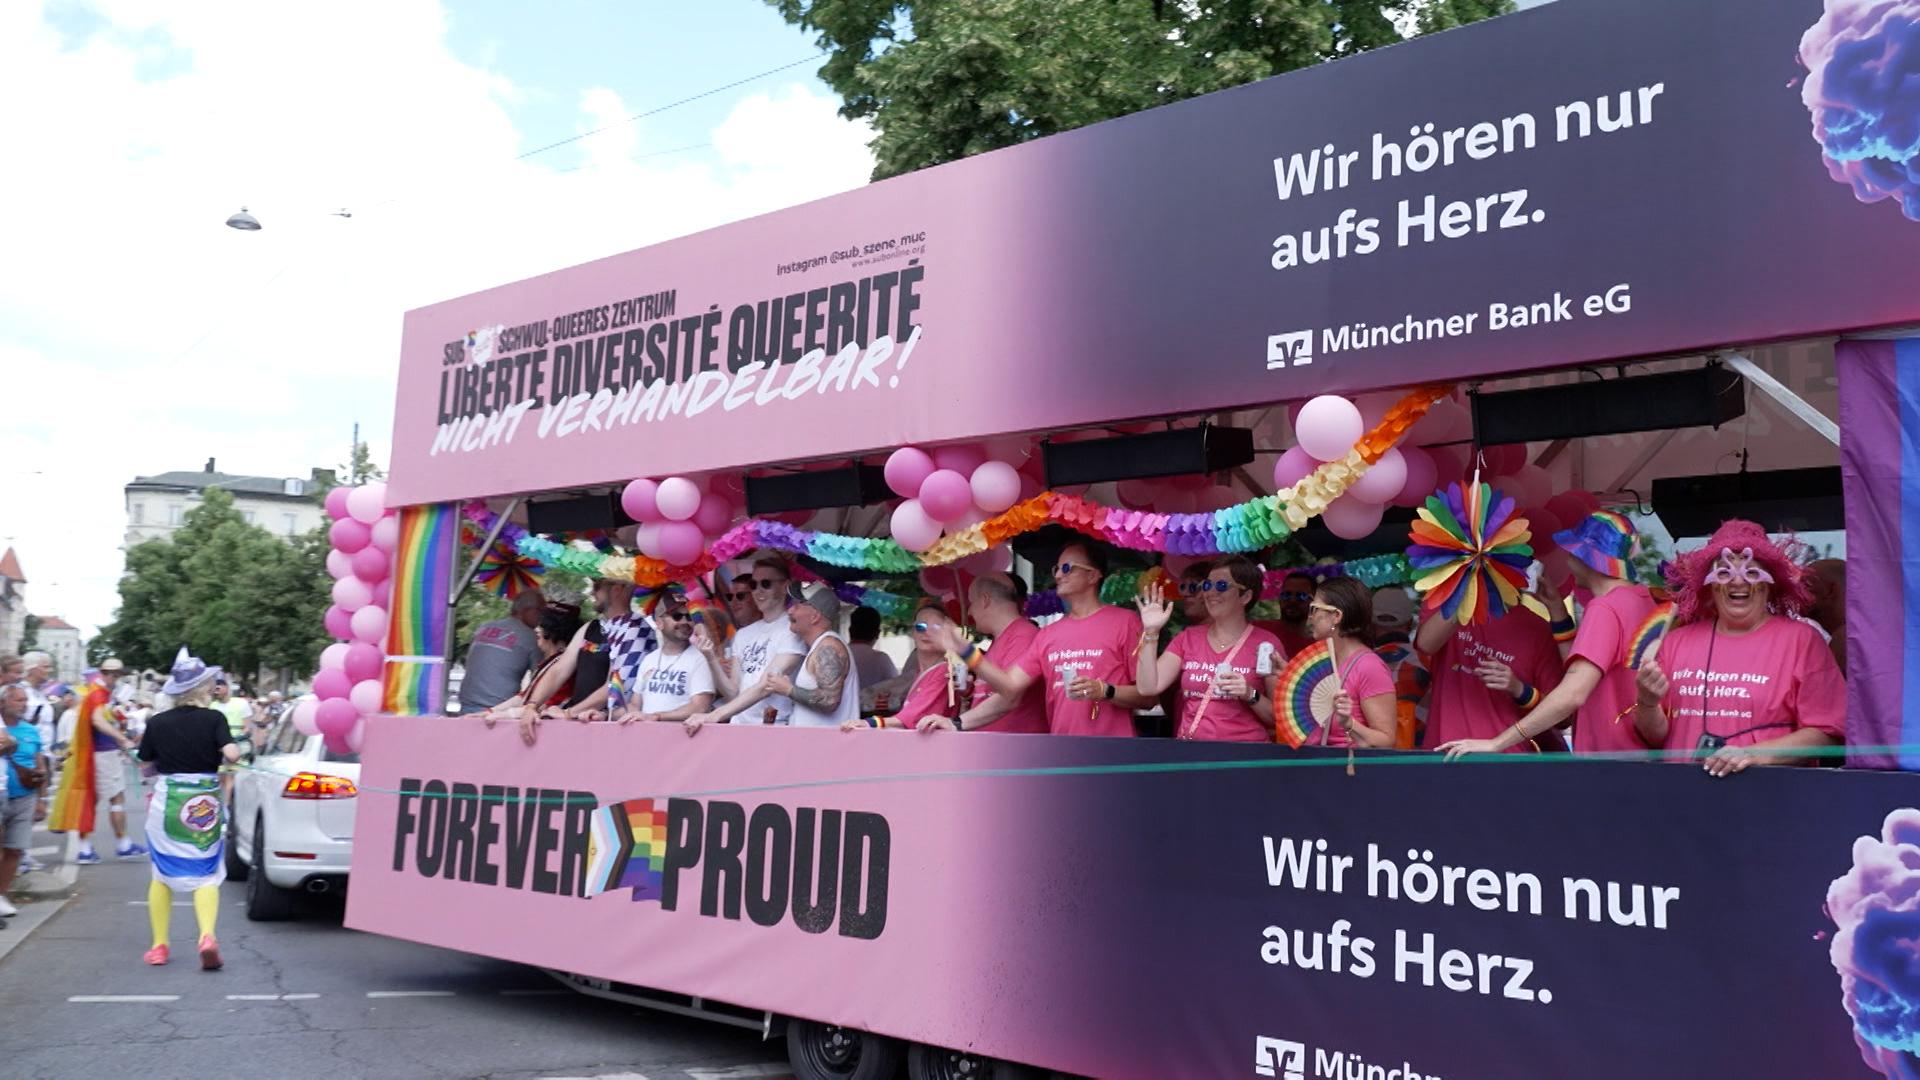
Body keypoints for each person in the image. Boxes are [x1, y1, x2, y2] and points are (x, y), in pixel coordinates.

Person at [1440, 510, 1656, 760]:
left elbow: (1573, 692)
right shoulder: (1641, 600)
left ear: (1586, 557)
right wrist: (1556, 608)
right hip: (1640, 759)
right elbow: (1584, 669)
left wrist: (1497, 743)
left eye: (1573, 550)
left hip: (1608, 763)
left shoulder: (1604, 608)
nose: (1567, 557)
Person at [1633, 522, 1845, 776]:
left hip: (1770, 802)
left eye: (1751, 572)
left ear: (1770, 584)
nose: (1737, 581)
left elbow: (1828, 734)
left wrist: (1754, 755)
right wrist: (1647, 702)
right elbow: (1656, 737)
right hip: (1684, 800)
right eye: (1724, 572)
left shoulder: (1801, 641)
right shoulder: (1677, 642)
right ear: (1710, 585)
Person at [925, 542, 1151, 736]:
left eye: (1066, 568)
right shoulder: (1048, 635)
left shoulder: (1126, 622)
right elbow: (1010, 687)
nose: (1058, 575)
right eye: (1056, 569)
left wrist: (1105, 691)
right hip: (1061, 758)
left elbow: (1149, 697)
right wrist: (966, 652)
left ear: (1093, 575)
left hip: (1115, 756)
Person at [136, 649, 242, 969]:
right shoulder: (215, 719)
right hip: (204, 803)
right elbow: (233, 755)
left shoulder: (157, 722)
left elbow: (145, 764)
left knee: (161, 873)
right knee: (206, 872)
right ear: (201, 688)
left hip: (168, 801)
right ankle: (206, 936)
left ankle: (159, 946)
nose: (214, 688)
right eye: (211, 684)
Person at [1135, 556, 1283, 742]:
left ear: (1245, 596)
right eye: (1206, 586)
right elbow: (1147, 687)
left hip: (1245, 759)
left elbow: (1280, 719)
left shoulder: (1267, 644)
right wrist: (1151, 632)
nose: (1210, 593)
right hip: (1194, 755)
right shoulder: (1188, 638)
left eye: (1221, 586)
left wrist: (1249, 694)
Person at [1414, 590, 1567, 754]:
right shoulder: (1445, 602)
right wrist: (1470, 582)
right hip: (1444, 752)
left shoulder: (1537, 628)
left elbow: (1564, 718)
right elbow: (1426, 644)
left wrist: (1520, 690)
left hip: (1505, 758)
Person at [512, 578, 656, 742]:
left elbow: (616, 686)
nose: (592, 592)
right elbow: (559, 669)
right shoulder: (592, 626)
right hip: (578, 725)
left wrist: (568, 713)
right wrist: (532, 706)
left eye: (597, 586)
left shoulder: (636, 628)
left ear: (616, 589)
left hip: (609, 732)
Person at [688, 557, 806, 730]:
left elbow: (767, 685)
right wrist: (710, 656)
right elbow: (732, 692)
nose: (758, 591)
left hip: (773, 728)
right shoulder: (743, 634)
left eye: (766, 584)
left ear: (784, 586)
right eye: (754, 585)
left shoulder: (793, 629)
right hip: (739, 726)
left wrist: (715, 715)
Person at [52, 658, 146, 864]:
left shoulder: (96, 693)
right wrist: (122, 739)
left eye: (117, 675)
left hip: (98, 753)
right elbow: (98, 721)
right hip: (103, 754)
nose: (116, 679)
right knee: (112, 800)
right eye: (115, 675)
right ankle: (115, 846)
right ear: (108, 674)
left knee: (96, 799)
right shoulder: (98, 694)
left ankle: (107, 845)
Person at [1304, 577, 1399, 748]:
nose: (1310, 617)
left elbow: (1386, 740)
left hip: (1349, 770)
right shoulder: (1322, 662)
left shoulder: (1369, 667)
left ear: (1336, 616)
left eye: (1314, 609)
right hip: (1316, 767)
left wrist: (1349, 723)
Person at [844, 600, 965, 730]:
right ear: (913, 632)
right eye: (920, 627)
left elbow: (910, 717)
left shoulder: (944, 672)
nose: (927, 632)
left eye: (936, 627)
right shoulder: (921, 672)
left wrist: (871, 723)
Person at [756, 584, 860, 730]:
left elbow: (829, 701)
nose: (790, 610)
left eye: (797, 606)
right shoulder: (821, 645)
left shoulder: (828, 647)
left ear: (815, 616)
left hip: (828, 748)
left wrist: (788, 689)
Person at [618, 590, 715, 725]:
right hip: (647, 738)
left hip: (683, 740)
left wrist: (655, 717)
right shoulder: (649, 660)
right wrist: (606, 713)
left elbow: (700, 707)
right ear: (659, 623)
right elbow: (635, 703)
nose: (684, 621)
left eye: (689, 617)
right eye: (676, 616)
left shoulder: (700, 659)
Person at [481, 604, 582, 725]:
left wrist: (503, 714)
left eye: (543, 625)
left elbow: (545, 706)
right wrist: (491, 711)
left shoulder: (564, 667)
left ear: (556, 631)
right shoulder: (552, 662)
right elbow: (524, 697)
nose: (536, 629)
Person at [0, 685, 48, 917]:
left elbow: (40, 766)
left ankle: (1, 895)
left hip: (25, 796)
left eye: (25, 700)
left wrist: (41, 799)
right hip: (2, 794)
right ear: (4, 703)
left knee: (15, 849)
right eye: (18, 700)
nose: (24, 704)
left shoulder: (31, 730)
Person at [459, 589, 546, 715]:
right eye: (541, 611)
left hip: (466, 704)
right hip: (498, 710)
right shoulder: (531, 637)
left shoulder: (484, 627)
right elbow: (541, 680)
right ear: (528, 610)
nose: (542, 617)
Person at [1805, 558, 1847, 670]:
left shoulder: (1846, 639)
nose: (1798, 595)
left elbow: (1823, 686)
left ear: (1831, 590)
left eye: (1805, 587)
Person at [1267, 571, 1319, 657]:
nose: (1292, 600)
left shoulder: (1318, 646)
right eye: (1287, 595)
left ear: (1315, 602)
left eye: (1301, 596)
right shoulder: (1261, 630)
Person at [847, 606, 899, 690]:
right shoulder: (881, 659)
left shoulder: (837, 654)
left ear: (850, 630)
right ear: (877, 633)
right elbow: (895, 689)